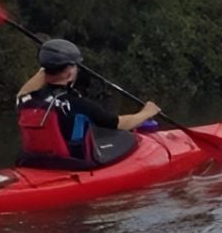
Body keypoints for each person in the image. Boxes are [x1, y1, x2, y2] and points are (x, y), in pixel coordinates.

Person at [15, 38, 160, 168]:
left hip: (36, 162)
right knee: (128, 139)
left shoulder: (28, 100)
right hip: (74, 165)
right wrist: (146, 112)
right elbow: (120, 124)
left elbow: (22, 93)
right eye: (75, 66)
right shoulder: (79, 105)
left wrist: (46, 67)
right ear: (69, 73)